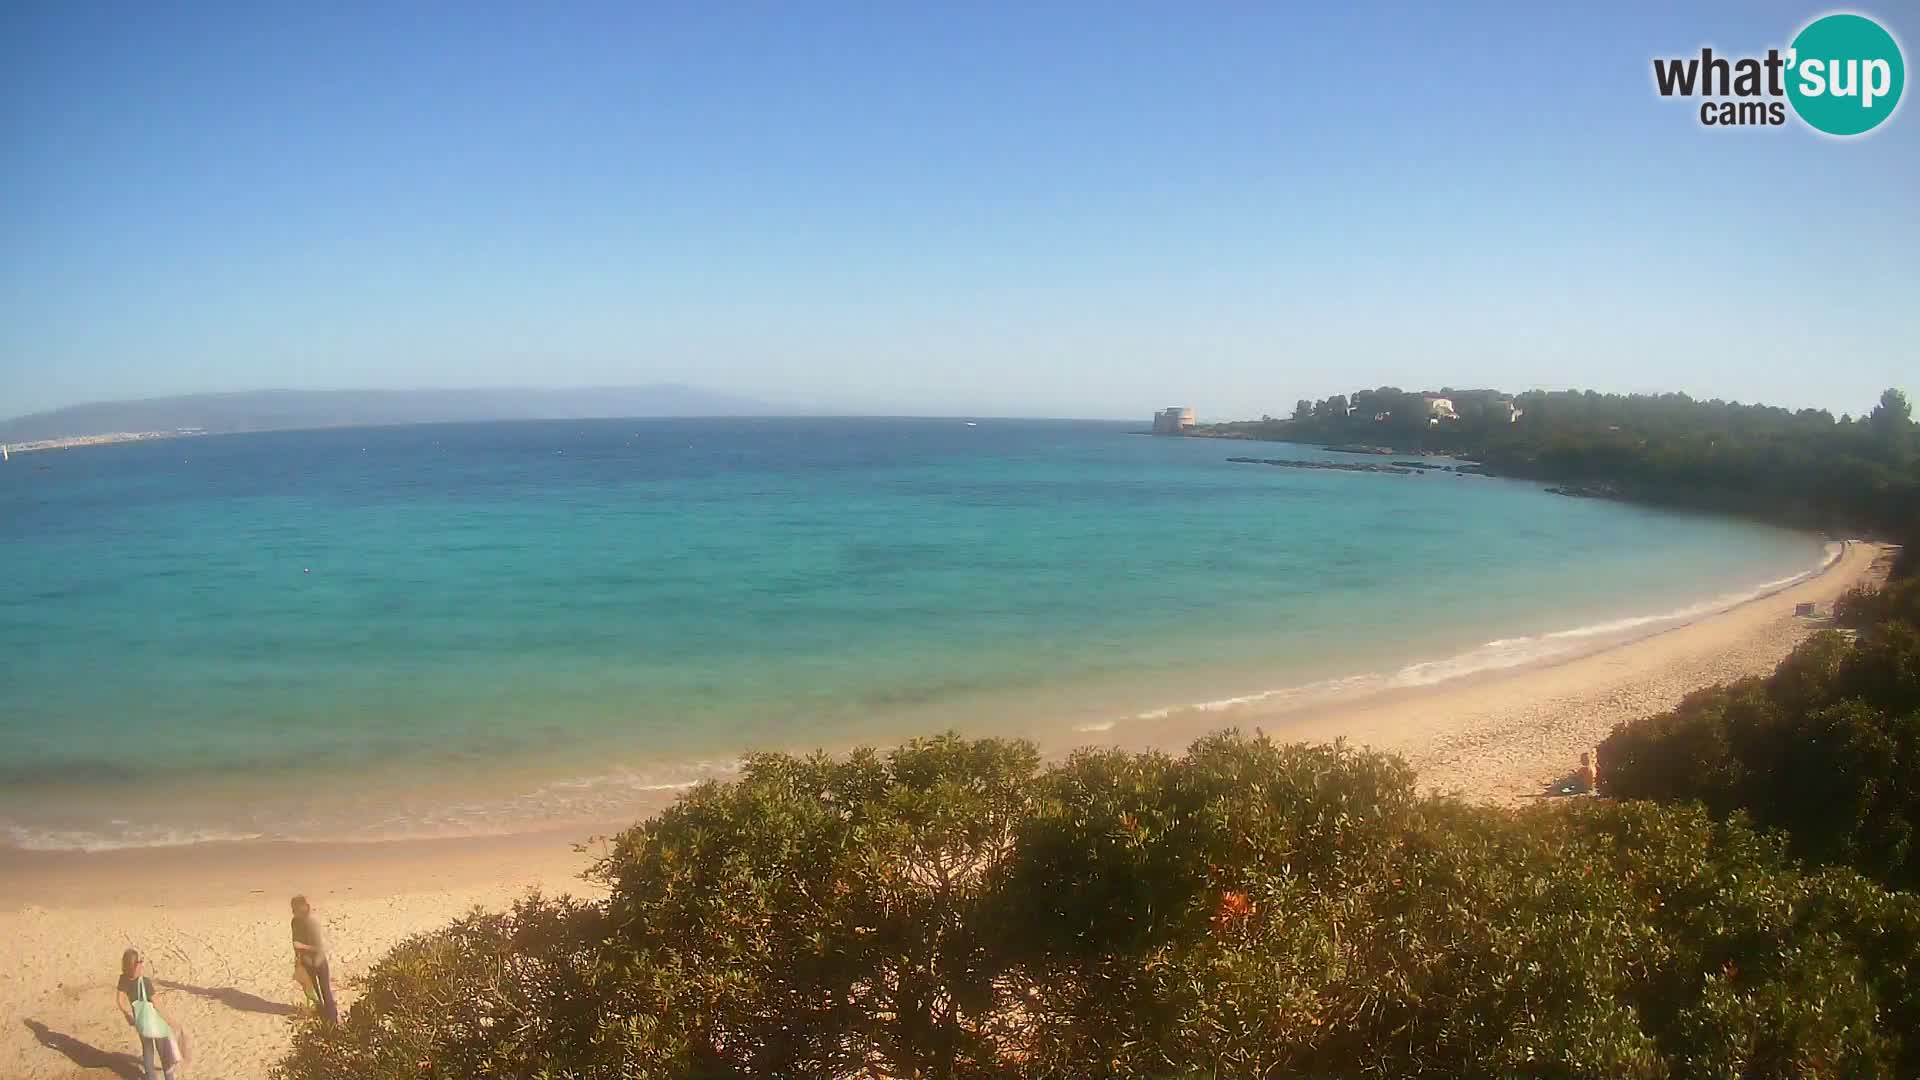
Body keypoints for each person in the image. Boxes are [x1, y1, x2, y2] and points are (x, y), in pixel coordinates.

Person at [115, 949, 180, 1080]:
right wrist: (170, 1021)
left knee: (147, 1050)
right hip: (155, 1021)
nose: (142, 964)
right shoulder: (144, 982)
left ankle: (151, 1077)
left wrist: (127, 1014)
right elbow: (157, 1004)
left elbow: (119, 999)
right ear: (135, 965)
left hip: (140, 1020)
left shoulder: (123, 979)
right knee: (163, 1053)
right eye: (140, 961)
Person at [290, 894, 339, 1023]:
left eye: (296, 910)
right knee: (314, 993)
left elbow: (318, 948)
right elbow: (294, 941)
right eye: (293, 910)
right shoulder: (295, 922)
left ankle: (333, 1020)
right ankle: (321, 1014)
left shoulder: (312, 922)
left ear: (305, 909)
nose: (294, 913)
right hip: (306, 962)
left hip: (319, 962)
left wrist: (302, 947)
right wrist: (298, 960)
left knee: (325, 992)